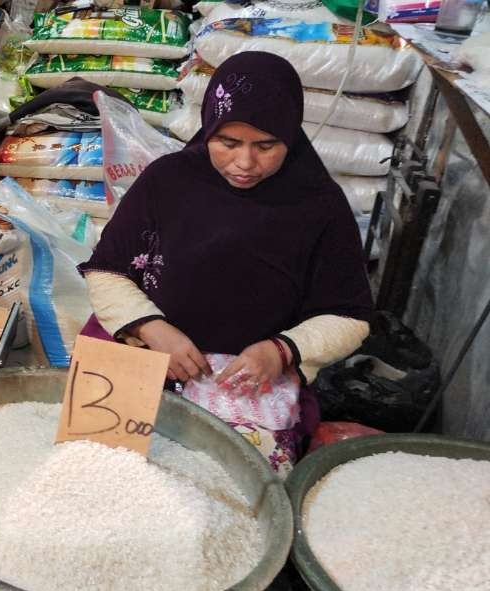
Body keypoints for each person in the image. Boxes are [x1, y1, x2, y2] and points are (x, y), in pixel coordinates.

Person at [79, 51, 373, 472]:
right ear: (208, 130)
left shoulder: (319, 205)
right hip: (144, 348)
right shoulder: (167, 180)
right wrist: (153, 328)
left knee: (231, 486)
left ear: (290, 135)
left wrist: (281, 350)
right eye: (227, 142)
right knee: (100, 470)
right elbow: (107, 271)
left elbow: (350, 315)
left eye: (266, 145)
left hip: (248, 377)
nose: (245, 163)